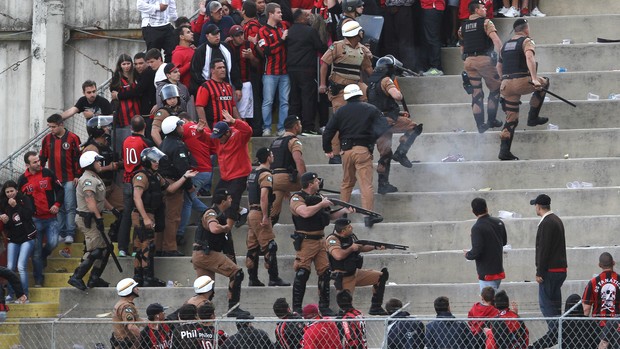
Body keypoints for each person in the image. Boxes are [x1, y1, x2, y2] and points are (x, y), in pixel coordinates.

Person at [322, 84, 385, 228]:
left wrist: (327, 149)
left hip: (346, 152)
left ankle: (342, 215)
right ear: (360, 95)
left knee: (346, 183)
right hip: (362, 150)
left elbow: (328, 131)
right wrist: (371, 138)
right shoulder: (370, 109)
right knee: (365, 184)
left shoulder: (340, 111)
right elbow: (383, 126)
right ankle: (368, 216)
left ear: (346, 97)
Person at [132, 147, 197, 286]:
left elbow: (170, 189)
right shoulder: (141, 176)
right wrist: (145, 217)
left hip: (150, 213)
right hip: (142, 214)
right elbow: (137, 198)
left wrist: (185, 177)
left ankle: (142, 277)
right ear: (147, 161)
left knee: (146, 245)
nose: (157, 163)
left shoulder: (156, 176)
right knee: (144, 246)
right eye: (154, 161)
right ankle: (145, 278)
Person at [289, 172, 352, 315]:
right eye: (316, 180)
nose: (319, 182)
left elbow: (328, 217)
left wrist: (344, 210)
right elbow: (304, 212)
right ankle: (297, 308)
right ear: (310, 184)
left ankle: (324, 306)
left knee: (325, 273)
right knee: (302, 272)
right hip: (306, 240)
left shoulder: (319, 198)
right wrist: (321, 204)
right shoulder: (297, 197)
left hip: (320, 239)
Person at [192, 189, 252, 318]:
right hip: (205, 254)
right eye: (229, 198)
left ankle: (196, 313)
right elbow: (214, 228)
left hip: (202, 255)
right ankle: (233, 308)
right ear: (223, 201)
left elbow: (227, 246)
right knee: (237, 274)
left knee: (206, 290)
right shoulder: (211, 212)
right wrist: (225, 228)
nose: (231, 200)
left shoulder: (222, 215)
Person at [367, 55, 423, 194]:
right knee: (414, 127)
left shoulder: (371, 83)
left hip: (378, 123)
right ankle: (401, 152)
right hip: (389, 119)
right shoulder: (386, 80)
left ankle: (383, 184)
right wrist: (398, 93)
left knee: (385, 153)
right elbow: (397, 96)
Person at [319, 20, 373, 164]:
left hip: (356, 87)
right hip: (340, 88)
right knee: (339, 120)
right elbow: (324, 64)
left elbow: (368, 69)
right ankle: (335, 154)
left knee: (370, 103)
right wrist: (323, 84)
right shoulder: (337, 46)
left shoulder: (362, 50)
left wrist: (376, 83)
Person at [497, 18, 549, 160]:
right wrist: (534, 78)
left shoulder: (505, 45)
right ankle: (533, 118)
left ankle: (504, 151)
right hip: (521, 81)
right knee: (544, 83)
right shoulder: (527, 41)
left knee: (511, 119)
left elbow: (498, 66)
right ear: (526, 29)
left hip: (506, 85)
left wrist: (503, 80)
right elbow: (529, 57)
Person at [67, 151, 114, 290]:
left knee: (107, 247)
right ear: (90, 164)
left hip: (93, 217)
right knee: (95, 250)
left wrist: (113, 209)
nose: (100, 163)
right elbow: (89, 200)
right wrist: (99, 218)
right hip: (88, 218)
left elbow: (100, 198)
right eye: (97, 161)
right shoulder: (88, 179)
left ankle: (94, 278)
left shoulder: (94, 178)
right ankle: (76, 277)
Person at [17, 151, 64, 287]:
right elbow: (19, 199)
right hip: (34, 220)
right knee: (35, 253)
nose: (38, 164)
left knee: (53, 243)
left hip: (51, 218)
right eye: (35, 162)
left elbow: (60, 190)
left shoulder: (48, 173)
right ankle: (38, 279)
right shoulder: (22, 180)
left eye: (38, 161)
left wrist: (56, 204)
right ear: (27, 165)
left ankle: (45, 254)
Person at [245, 147, 290, 287]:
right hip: (259, 213)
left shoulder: (253, 173)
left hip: (251, 212)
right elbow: (264, 196)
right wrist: (265, 216)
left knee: (253, 246)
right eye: (271, 154)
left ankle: (253, 279)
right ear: (268, 157)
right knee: (270, 245)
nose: (273, 156)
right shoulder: (266, 174)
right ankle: (273, 277)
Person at [326, 218, 389, 315]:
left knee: (381, 276)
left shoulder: (350, 236)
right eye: (349, 227)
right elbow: (338, 255)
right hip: (343, 277)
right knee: (346, 306)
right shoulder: (332, 240)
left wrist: (375, 247)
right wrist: (351, 248)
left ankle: (376, 306)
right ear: (343, 231)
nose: (352, 228)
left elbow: (361, 247)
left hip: (355, 272)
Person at [529, 193, 567, 349]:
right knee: (555, 306)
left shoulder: (546, 223)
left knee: (547, 306)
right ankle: (558, 334)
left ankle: (557, 334)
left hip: (549, 271)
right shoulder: (557, 220)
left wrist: (540, 272)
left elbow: (543, 249)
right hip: (559, 270)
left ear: (538, 206)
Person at [459, 0, 503, 133]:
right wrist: (500, 57)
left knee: (476, 93)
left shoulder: (462, 27)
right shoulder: (486, 22)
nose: (485, 10)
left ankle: (480, 125)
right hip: (484, 60)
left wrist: (466, 60)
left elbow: (462, 48)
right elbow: (496, 41)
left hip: (469, 62)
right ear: (477, 10)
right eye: (483, 8)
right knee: (495, 89)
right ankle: (491, 120)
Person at [158, 116, 197, 256]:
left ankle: (159, 247)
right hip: (174, 184)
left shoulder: (163, 144)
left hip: (163, 184)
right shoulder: (178, 145)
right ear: (175, 129)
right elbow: (183, 168)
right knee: (173, 218)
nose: (182, 127)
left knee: (164, 217)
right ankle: (170, 248)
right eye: (180, 125)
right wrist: (189, 186)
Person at [40, 113, 81, 244]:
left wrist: (77, 175)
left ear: (61, 124)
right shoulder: (46, 139)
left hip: (69, 178)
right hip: (54, 180)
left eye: (53, 127)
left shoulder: (73, 138)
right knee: (59, 207)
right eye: (49, 127)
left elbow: (77, 158)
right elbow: (42, 158)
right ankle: (62, 233)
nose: (51, 129)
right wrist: (41, 175)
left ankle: (70, 233)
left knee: (70, 206)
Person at [118, 116, 155, 257]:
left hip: (126, 180)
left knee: (126, 214)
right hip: (140, 180)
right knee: (139, 214)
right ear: (145, 126)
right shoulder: (146, 142)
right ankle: (136, 248)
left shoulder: (126, 141)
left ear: (131, 127)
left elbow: (123, 158)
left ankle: (122, 247)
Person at [286, 10, 326, 134]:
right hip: (307, 69)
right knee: (308, 98)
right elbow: (320, 47)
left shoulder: (289, 31)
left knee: (294, 99)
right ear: (300, 18)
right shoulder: (310, 31)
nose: (308, 17)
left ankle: (292, 127)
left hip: (291, 69)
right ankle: (308, 126)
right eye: (306, 15)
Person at [211, 113, 253, 229]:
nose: (218, 139)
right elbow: (207, 137)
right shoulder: (218, 139)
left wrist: (235, 121)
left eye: (220, 136)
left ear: (228, 133)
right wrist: (199, 132)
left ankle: (228, 227)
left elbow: (248, 131)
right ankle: (242, 211)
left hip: (240, 174)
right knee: (217, 197)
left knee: (233, 198)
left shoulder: (238, 136)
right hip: (225, 176)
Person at [82, 116, 124, 225]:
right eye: (105, 126)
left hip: (110, 185)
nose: (108, 128)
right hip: (98, 187)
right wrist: (109, 167)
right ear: (98, 130)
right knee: (95, 216)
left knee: (124, 207)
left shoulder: (106, 143)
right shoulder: (92, 148)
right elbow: (90, 170)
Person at [0, 180, 36, 300]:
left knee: (21, 266)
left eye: (12, 191)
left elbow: (28, 214)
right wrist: (3, 220)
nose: (10, 194)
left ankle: (24, 295)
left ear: (16, 190)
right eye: (7, 192)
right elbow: (8, 226)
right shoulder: (3, 204)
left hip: (27, 236)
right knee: (9, 267)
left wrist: (16, 206)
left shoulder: (24, 199)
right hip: (13, 239)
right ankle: (10, 294)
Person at [258, 2, 291, 137]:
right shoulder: (262, 31)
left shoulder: (283, 27)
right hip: (270, 73)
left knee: (285, 101)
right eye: (278, 12)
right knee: (268, 101)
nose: (281, 14)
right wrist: (281, 40)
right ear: (271, 14)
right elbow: (266, 51)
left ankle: (281, 128)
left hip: (285, 72)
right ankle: (266, 127)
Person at [464, 197, 508, 290]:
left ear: (473, 211)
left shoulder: (477, 228)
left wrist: (467, 254)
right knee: (494, 301)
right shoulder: (499, 222)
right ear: (486, 208)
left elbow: (477, 251)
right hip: (498, 271)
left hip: (487, 274)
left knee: (489, 303)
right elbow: (503, 242)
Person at [269, 115, 306, 225]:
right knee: (314, 186)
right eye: (299, 124)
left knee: (273, 211)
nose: (301, 126)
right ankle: (305, 217)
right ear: (295, 126)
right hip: (286, 178)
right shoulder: (294, 141)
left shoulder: (275, 142)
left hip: (273, 179)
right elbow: (299, 161)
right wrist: (305, 181)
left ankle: (270, 224)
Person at [189, 23, 242, 98]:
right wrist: (206, 86)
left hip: (227, 88)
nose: (217, 36)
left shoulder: (226, 47)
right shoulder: (201, 51)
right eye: (214, 34)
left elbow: (234, 67)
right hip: (209, 91)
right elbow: (195, 71)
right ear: (207, 36)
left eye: (218, 33)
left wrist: (238, 87)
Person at [195, 58, 241, 128]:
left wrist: (240, 123)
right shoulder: (206, 86)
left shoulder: (228, 86)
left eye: (224, 67)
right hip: (213, 127)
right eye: (219, 68)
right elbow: (199, 107)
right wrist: (205, 127)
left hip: (229, 128)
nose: (223, 70)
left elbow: (233, 106)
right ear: (212, 70)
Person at [228, 25, 259, 125]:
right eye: (237, 35)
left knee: (243, 113)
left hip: (246, 82)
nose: (241, 37)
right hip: (230, 83)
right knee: (232, 110)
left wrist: (251, 57)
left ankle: (244, 131)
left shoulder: (249, 45)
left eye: (242, 34)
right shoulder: (227, 45)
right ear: (232, 37)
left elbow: (258, 64)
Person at [582, 252, 620, 326]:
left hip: (598, 326)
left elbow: (586, 308)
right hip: (618, 325)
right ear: (613, 263)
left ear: (599, 265)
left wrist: (585, 327)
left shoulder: (593, 282)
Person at [109, 53, 142, 136]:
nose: (126, 66)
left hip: (136, 109)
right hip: (123, 112)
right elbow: (113, 92)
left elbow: (138, 92)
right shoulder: (116, 77)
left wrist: (120, 95)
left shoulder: (136, 75)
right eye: (124, 64)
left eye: (128, 63)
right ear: (120, 65)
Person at [111, 278, 142, 349]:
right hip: (127, 343)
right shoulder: (126, 306)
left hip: (122, 342)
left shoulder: (122, 303)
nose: (138, 289)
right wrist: (142, 336)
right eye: (135, 287)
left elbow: (137, 319)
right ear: (129, 290)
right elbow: (131, 326)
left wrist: (150, 324)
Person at [420, 0, 445, 76]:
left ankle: (436, 68)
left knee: (432, 39)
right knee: (428, 39)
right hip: (429, 7)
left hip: (432, 6)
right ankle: (430, 67)